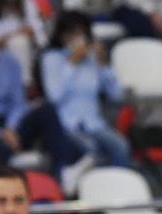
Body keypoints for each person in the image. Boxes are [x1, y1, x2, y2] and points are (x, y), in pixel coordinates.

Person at [0, 11, 94, 194]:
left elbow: (18, 102)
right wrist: (0, 133)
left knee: (46, 111)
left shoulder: (9, 62)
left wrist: (11, 127)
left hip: (12, 123)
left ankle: (63, 174)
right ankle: (5, 192)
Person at [40, 11, 131, 168]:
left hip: (94, 125)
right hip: (66, 126)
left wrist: (103, 64)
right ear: (61, 35)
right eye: (71, 33)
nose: (77, 38)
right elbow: (54, 97)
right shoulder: (51, 59)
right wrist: (72, 63)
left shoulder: (92, 59)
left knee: (121, 146)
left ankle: (118, 187)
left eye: (81, 33)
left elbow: (116, 95)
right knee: (90, 150)